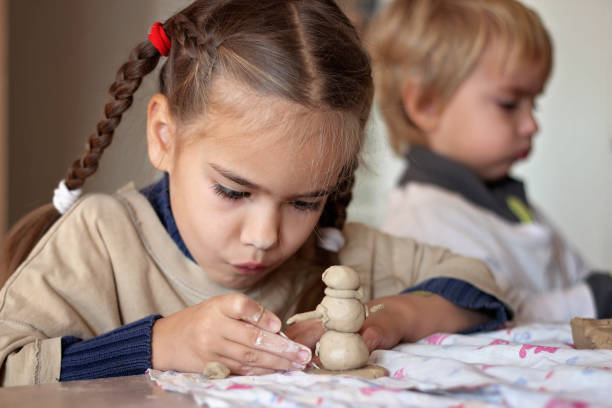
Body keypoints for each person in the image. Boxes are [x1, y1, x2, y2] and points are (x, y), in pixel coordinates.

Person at [0, 0, 510, 387]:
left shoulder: (333, 253)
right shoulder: (102, 238)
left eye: (305, 201)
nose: (266, 236)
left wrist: (393, 318)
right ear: (164, 136)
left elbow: (479, 285)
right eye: (233, 190)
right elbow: (11, 365)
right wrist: (160, 343)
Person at [369, 0, 612, 324]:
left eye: (533, 104)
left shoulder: (510, 202)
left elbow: (579, 278)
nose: (532, 125)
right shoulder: (422, 223)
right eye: (509, 104)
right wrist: (597, 298)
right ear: (426, 105)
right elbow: (496, 310)